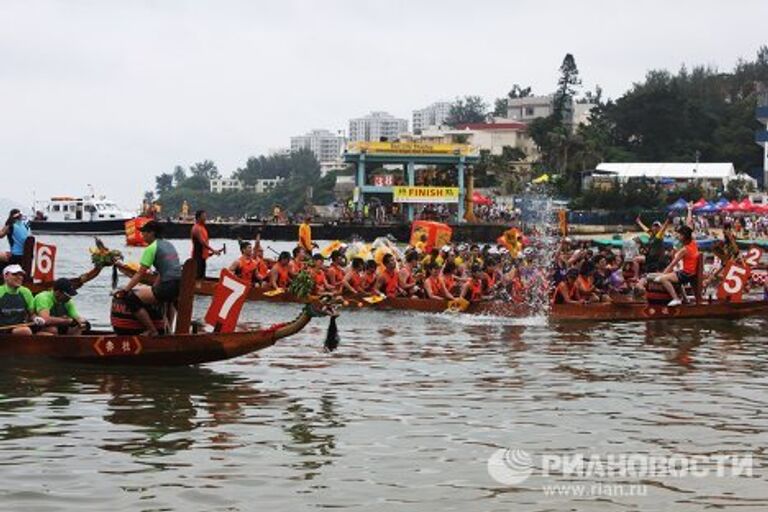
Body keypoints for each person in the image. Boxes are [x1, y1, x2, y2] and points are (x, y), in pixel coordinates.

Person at [118, 221, 181, 335]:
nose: (142, 235)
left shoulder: (151, 248)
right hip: (180, 285)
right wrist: (154, 287)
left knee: (131, 298)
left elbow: (139, 274)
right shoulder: (168, 244)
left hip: (168, 287)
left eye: (144, 232)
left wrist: (125, 290)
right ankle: (169, 331)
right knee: (169, 299)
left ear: (151, 233)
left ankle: (152, 331)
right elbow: (164, 271)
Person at [656, 225, 699, 307]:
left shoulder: (684, 250)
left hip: (686, 274)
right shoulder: (693, 243)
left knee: (663, 279)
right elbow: (689, 228)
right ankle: (685, 299)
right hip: (690, 273)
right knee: (674, 276)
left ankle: (676, 299)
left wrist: (663, 274)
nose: (678, 237)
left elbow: (673, 264)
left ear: (684, 236)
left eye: (679, 235)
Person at [0, 265, 42, 335]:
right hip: (2, 329)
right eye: (15, 274)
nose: (19, 277)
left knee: (51, 331)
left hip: (19, 327)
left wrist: (35, 318)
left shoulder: (26, 292)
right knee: (25, 331)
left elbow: (31, 314)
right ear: (5, 276)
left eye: (21, 275)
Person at [191, 210, 223, 279]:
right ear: (199, 217)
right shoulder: (196, 228)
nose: (205, 218)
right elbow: (202, 242)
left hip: (203, 257)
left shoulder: (203, 228)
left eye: (205, 216)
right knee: (198, 277)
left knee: (202, 277)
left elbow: (204, 246)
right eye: (204, 216)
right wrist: (213, 250)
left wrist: (211, 253)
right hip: (197, 257)